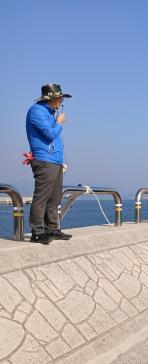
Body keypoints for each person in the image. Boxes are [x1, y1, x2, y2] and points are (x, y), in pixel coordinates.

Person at [26, 83, 73, 245]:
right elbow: (50, 134)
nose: (60, 101)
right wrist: (59, 122)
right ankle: (37, 232)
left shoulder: (48, 113)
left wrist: (62, 161)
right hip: (45, 160)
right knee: (42, 197)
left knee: (54, 198)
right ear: (50, 99)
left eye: (61, 99)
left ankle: (52, 229)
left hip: (55, 160)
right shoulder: (36, 111)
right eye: (58, 98)